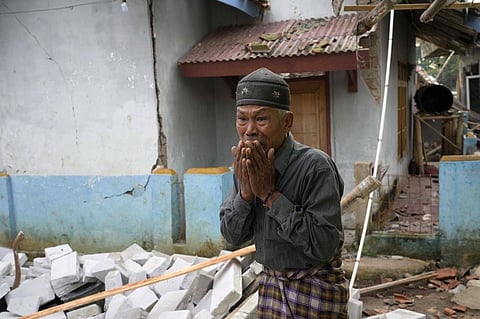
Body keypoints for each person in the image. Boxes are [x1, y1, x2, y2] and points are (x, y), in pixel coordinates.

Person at [219, 67, 349, 318]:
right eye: (242, 118)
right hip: (271, 288)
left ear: (287, 122)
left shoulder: (315, 166)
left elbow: (324, 246)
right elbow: (231, 237)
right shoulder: (246, 166)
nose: (249, 130)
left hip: (316, 290)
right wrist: (246, 192)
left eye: (261, 119)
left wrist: (269, 194)